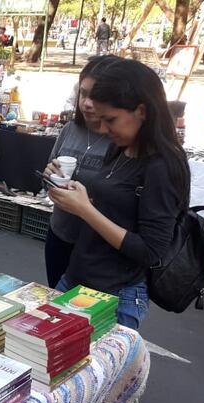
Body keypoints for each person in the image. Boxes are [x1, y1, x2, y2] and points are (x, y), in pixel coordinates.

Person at [47, 59, 190, 403]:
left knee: (103, 402)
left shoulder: (163, 165)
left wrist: (86, 209)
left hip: (116, 297)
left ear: (141, 111)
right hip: (76, 280)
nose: (104, 127)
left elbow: (152, 251)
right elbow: (113, 203)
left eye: (111, 119)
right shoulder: (122, 147)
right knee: (63, 386)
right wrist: (76, 190)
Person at [41, 55, 121, 288]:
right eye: (83, 93)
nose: (86, 103)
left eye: (96, 97)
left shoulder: (121, 139)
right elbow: (48, 180)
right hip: (60, 234)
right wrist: (50, 177)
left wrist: (85, 203)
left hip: (98, 247)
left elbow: (123, 204)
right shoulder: (71, 129)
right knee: (58, 306)